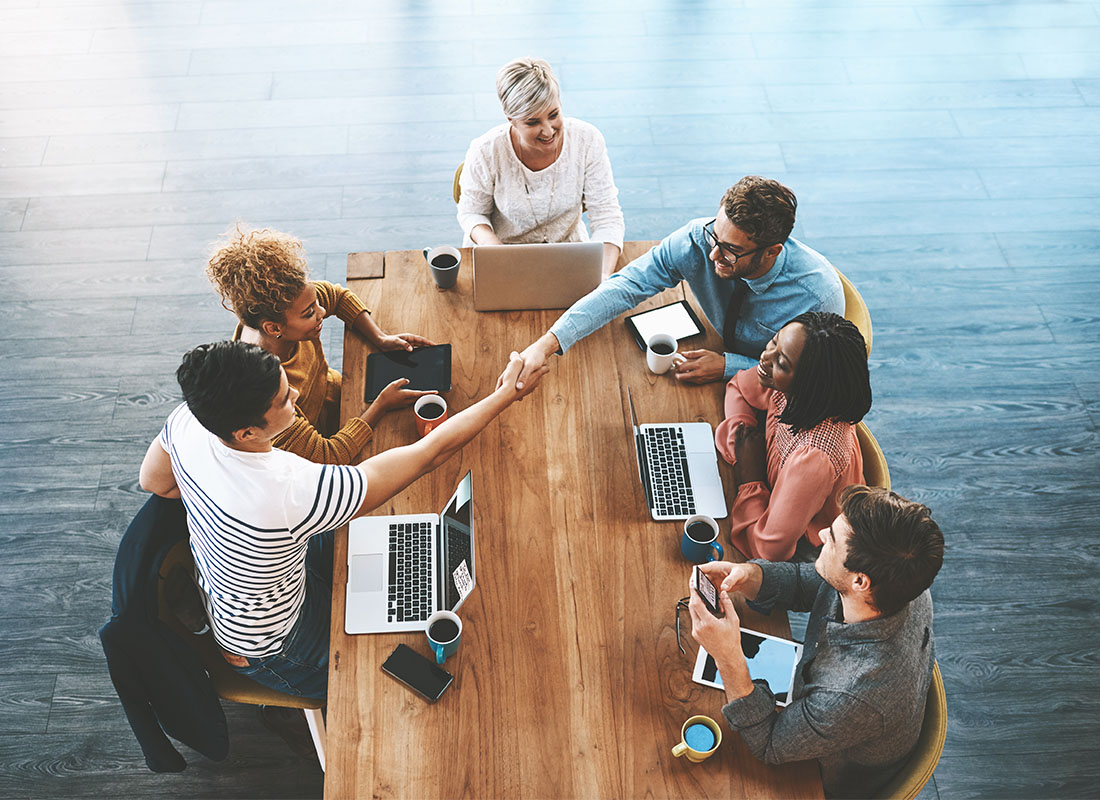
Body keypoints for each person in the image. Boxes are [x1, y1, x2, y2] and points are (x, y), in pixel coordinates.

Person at [139, 341, 547, 700]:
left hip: (239, 593)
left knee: (392, 556)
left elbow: (154, 482)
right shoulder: (290, 489)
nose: (295, 395)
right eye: (282, 401)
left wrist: (214, 500)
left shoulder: (190, 418)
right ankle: (288, 717)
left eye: (286, 384)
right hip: (275, 644)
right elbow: (429, 456)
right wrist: (507, 395)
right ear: (246, 432)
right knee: (373, 684)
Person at [688, 485, 945, 799]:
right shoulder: (902, 584)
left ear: (860, 581)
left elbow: (769, 743)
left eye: (834, 538)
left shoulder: (851, 695)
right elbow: (818, 583)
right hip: (834, 716)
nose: (822, 534)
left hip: (825, 776)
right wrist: (750, 575)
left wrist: (727, 656)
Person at [507, 176, 844, 390]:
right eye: (716, 235)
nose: (713, 256)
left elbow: (815, 382)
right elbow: (625, 285)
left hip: (768, 393)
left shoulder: (817, 297)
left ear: (771, 252)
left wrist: (730, 366)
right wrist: (547, 344)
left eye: (731, 251)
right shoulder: (700, 238)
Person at [207, 225, 436, 464]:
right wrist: (381, 406)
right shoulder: (267, 393)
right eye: (309, 313)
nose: (322, 312)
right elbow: (328, 455)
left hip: (337, 394)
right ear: (274, 328)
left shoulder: (290, 301)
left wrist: (380, 337)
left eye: (316, 303)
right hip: (314, 445)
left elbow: (337, 297)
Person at [714, 311, 871, 562]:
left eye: (782, 363)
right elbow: (739, 387)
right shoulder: (786, 385)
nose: (765, 358)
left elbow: (769, 551)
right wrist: (741, 442)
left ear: (809, 385)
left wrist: (751, 476)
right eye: (774, 341)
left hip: (809, 547)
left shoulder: (815, 457)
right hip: (774, 507)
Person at [457, 57, 625, 277]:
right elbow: (471, 213)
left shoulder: (587, 140)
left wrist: (600, 278)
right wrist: (496, 251)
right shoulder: (485, 150)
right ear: (511, 119)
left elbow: (607, 217)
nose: (548, 131)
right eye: (532, 122)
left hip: (570, 254)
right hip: (505, 259)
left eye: (553, 115)